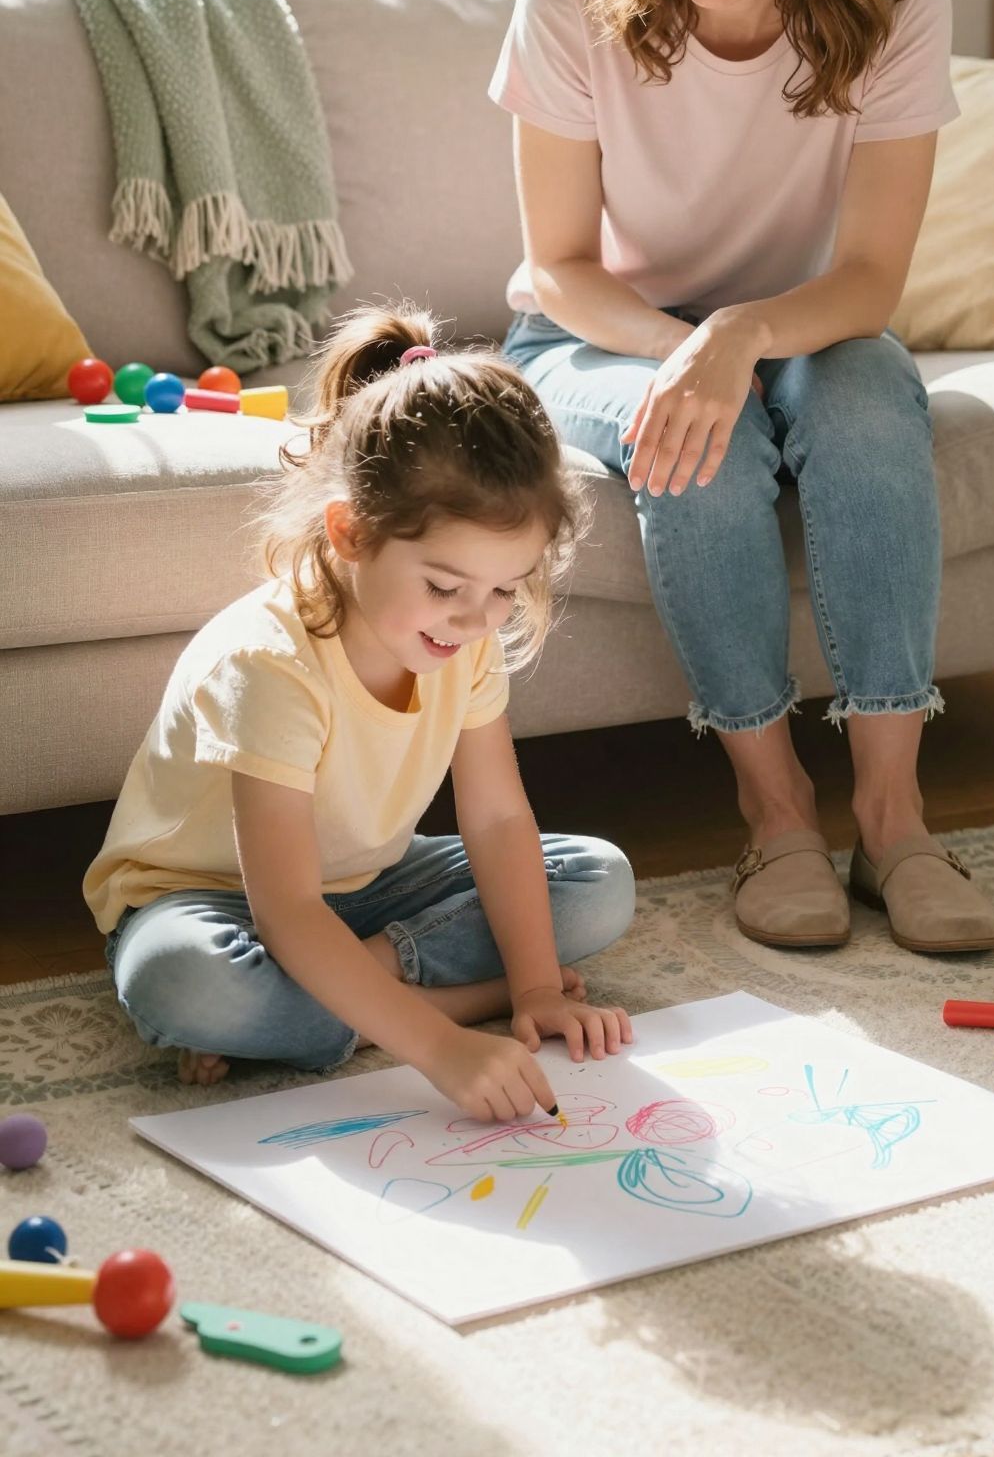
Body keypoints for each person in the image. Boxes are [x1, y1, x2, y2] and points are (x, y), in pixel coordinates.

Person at [488, 0, 994, 957]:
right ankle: (775, 815)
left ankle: (894, 817)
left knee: (873, 394)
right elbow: (557, 267)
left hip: (807, 330)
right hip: (596, 339)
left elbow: (872, 275)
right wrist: (691, 351)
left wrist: (742, 336)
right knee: (695, 442)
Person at [83, 304, 635, 1112]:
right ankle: (423, 1004)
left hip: (368, 884)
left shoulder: (465, 638)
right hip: (215, 900)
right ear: (349, 532)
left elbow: (497, 820)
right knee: (187, 987)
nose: (476, 619)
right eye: (446, 587)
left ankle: (330, 1004)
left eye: (504, 591)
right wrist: (441, 1047)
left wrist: (539, 990)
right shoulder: (271, 663)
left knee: (597, 881)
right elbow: (287, 908)